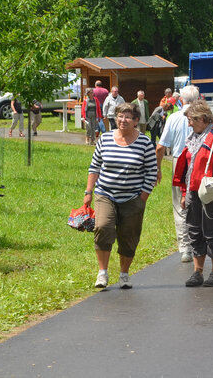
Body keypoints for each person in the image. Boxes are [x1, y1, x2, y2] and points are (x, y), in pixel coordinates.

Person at [83, 102, 157, 289]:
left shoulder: (145, 142)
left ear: (136, 121)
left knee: (129, 235)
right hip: (105, 194)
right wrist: (88, 192)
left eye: (128, 117)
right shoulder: (105, 139)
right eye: (120, 116)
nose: (123, 120)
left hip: (132, 198)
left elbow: (151, 171)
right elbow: (95, 166)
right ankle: (103, 273)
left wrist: (143, 197)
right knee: (102, 227)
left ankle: (124, 274)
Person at [173, 101, 213, 287]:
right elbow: (187, 170)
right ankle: (197, 272)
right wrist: (185, 193)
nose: (189, 124)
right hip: (193, 192)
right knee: (194, 230)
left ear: (203, 119)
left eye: (191, 120)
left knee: (212, 232)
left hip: (211, 194)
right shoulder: (192, 138)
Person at [156, 85, 200, 263]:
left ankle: (185, 248)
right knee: (198, 203)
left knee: (179, 205)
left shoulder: (174, 117)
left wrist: (157, 168)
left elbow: (160, 146)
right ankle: (199, 244)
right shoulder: (202, 116)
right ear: (197, 99)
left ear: (181, 99)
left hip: (179, 162)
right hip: (199, 162)